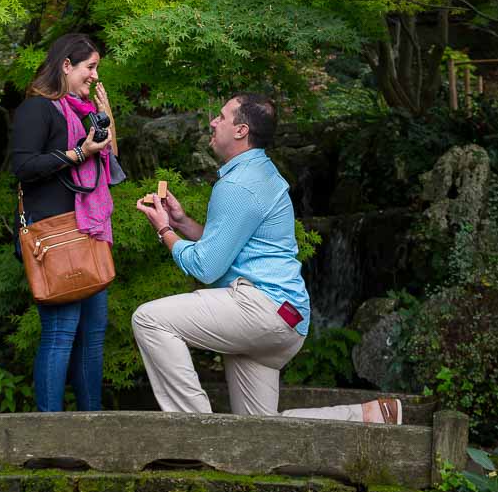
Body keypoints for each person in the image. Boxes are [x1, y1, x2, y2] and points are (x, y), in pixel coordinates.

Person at [132, 93, 402, 425]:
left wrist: (163, 231)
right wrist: (182, 223)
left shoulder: (240, 185)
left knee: (149, 319)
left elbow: (205, 267)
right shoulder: (260, 172)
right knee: (258, 432)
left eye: (221, 117)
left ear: (241, 130)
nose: (213, 123)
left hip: (261, 309)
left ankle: (198, 433)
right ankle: (368, 416)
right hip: (284, 317)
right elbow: (225, 249)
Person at [12, 32, 124, 412]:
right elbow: (23, 167)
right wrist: (77, 153)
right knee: (60, 333)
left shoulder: (82, 112)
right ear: (65, 65)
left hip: (90, 231)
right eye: (90, 67)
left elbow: (111, 167)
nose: (94, 75)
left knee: (92, 337)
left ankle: (90, 429)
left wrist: (108, 121)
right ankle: (50, 437)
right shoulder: (37, 109)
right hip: (55, 235)